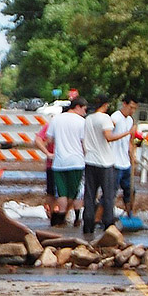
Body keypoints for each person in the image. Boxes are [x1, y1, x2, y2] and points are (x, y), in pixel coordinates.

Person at [82, 94, 131, 234]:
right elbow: (109, 137)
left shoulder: (89, 118)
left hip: (90, 160)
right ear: (106, 105)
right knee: (108, 195)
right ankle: (108, 224)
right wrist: (127, 133)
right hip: (105, 162)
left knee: (90, 195)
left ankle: (88, 226)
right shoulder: (105, 118)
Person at [45, 96, 88, 225]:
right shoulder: (81, 122)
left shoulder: (56, 119)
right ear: (78, 107)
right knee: (75, 192)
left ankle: (61, 217)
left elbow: (49, 140)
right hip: (76, 162)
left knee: (62, 193)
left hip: (59, 162)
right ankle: (76, 218)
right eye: (84, 109)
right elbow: (84, 143)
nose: (85, 113)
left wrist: (50, 152)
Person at [109, 96, 138, 217]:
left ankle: (129, 214)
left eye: (134, 109)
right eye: (131, 107)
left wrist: (132, 156)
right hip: (115, 162)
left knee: (131, 190)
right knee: (111, 192)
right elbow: (108, 135)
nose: (132, 111)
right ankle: (103, 217)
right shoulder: (115, 117)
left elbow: (129, 142)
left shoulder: (130, 120)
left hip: (125, 162)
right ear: (124, 104)